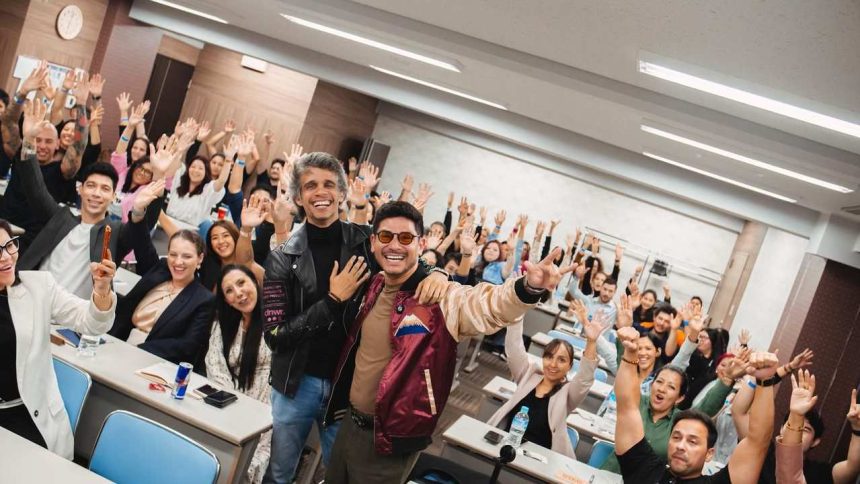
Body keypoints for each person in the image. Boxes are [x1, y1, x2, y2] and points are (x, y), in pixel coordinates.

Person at [323, 201, 570, 483]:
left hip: (392, 437)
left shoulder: (441, 298)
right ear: (374, 242)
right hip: (348, 424)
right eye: (386, 237)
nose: (395, 245)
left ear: (422, 242)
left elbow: (487, 305)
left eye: (405, 238)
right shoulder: (374, 283)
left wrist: (528, 287)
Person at [261, 154, 448, 482]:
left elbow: (404, 262)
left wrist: (438, 272)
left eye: (329, 184)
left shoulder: (365, 242)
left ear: (342, 193)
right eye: (311, 185)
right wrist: (333, 301)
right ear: (298, 197)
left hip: (346, 386)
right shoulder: (282, 257)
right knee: (279, 473)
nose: (321, 192)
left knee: (340, 472)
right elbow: (275, 335)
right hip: (295, 383)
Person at [14, 101, 157, 298]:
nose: (96, 193)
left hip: (72, 319)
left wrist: (141, 207)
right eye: (91, 186)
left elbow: (142, 240)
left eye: (105, 188)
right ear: (80, 190)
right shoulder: (60, 216)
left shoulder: (115, 233)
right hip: (30, 298)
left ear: (113, 196)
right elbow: (35, 188)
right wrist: (29, 140)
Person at [0, 218, 117, 459]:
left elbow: (92, 323)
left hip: (25, 416)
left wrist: (102, 289)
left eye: (10, 245)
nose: (6, 257)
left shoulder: (39, 287)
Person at [613, 325, 778, 482]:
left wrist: (765, 381)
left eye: (692, 441)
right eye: (676, 437)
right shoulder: (646, 469)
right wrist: (630, 352)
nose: (680, 446)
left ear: (709, 454)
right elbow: (627, 405)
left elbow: (758, 443)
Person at [485, 313, 600, 457]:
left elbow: (585, 378)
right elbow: (514, 348)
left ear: (570, 366)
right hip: (505, 447)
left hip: (541, 459)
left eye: (561, 360)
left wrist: (591, 341)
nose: (553, 364)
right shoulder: (529, 375)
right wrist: (517, 311)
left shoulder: (568, 393)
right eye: (549, 357)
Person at [206, 265, 272, 484]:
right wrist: (233, 405)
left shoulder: (275, 319)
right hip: (229, 403)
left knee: (243, 465)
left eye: (242, 283)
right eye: (229, 291)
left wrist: (250, 413)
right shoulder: (225, 323)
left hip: (267, 408)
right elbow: (215, 364)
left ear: (255, 281)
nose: (239, 293)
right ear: (225, 300)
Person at [110, 230, 215, 365]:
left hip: (155, 361)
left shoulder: (203, 299)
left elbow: (187, 345)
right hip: (116, 343)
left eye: (187, 256)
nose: (178, 262)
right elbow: (142, 242)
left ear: (200, 258)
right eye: (173, 254)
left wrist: (138, 350)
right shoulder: (160, 269)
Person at [775, 370, 860, 484]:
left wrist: (857, 428)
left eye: (805, 429)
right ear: (781, 429)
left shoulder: (822, 473)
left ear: (815, 441)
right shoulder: (761, 455)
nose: (798, 432)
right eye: (793, 425)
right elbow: (742, 414)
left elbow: (852, 467)